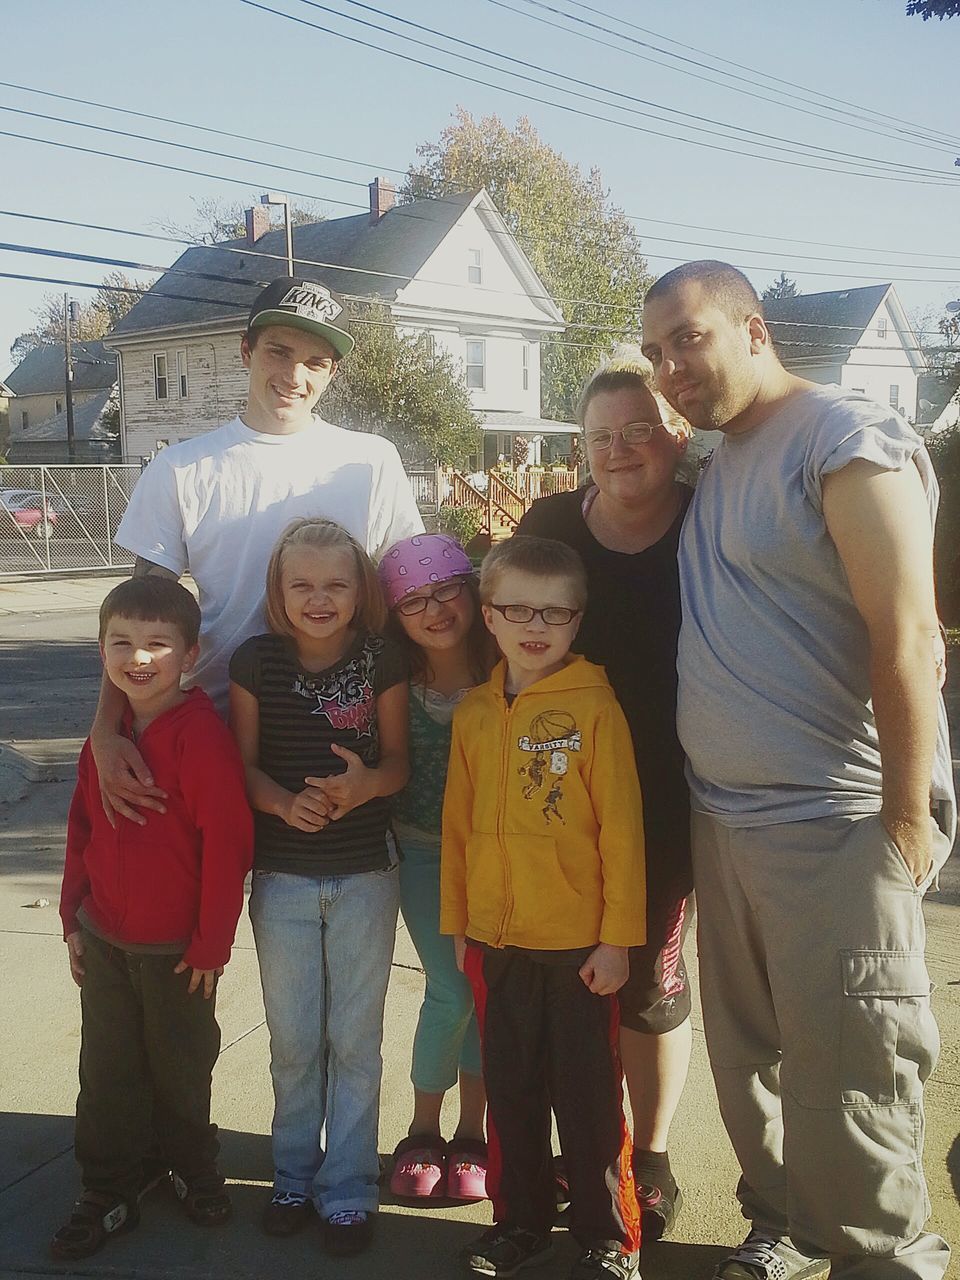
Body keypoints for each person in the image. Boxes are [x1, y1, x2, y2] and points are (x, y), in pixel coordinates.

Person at [640, 260, 956, 1280]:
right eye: (654, 353)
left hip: (837, 819)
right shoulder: (719, 458)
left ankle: (884, 1255)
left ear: (752, 326)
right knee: (754, 1064)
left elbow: (908, 633)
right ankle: (788, 1226)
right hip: (722, 820)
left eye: (687, 338)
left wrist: (906, 820)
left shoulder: (843, 436)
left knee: (855, 1073)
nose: (671, 366)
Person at [95, 275, 423, 821]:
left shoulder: (372, 462)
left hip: (343, 742)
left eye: (316, 362)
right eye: (279, 351)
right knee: (204, 898)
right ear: (246, 351)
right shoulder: (180, 469)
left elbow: (407, 593)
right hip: (214, 734)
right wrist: (106, 732)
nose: (294, 375)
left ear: (332, 373)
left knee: (340, 895)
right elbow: (139, 616)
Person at [517, 352, 694, 1238]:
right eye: (601, 436)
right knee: (567, 979)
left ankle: (651, 1159)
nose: (620, 450)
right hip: (555, 793)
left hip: (668, 794)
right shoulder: (550, 521)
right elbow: (502, 620)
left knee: (648, 986)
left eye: (639, 431)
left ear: (676, 436)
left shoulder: (709, 518)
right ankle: (587, 1147)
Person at [442, 535, 647, 1280]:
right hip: (497, 944)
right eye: (518, 609)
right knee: (514, 1095)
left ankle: (606, 1237)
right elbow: (458, 829)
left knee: (590, 1104)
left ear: (577, 620)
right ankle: (519, 1222)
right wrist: (460, 926)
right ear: (488, 617)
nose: (537, 624)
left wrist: (618, 940)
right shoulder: (472, 713)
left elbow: (623, 832)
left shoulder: (596, 709)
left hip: (580, 952)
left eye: (556, 613)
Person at [54, 577, 253, 1261]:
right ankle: (107, 1185)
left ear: (191, 654)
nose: (138, 658)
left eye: (157, 645)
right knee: (106, 1068)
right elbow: (81, 827)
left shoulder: (199, 737)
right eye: (122, 644)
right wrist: (71, 920)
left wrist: (210, 946)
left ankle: (193, 1167)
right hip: (105, 936)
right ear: (102, 650)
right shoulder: (106, 738)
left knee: (180, 1063)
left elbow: (229, 846)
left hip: (177, 950)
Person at [228, 517, 408, 1257]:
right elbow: (241, 767)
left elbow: (397, 763)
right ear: (278, 591)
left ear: (360, 589)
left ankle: (348, 1189)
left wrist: (364, 787)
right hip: (283, 879)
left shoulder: (383, 659)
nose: (319, 597)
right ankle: (293, 1177)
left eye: (336, 583)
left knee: (354, 1042)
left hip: (366, 873)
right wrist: (278, 802)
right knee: (296, 1040)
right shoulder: (255, 663)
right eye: (301, 584)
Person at [377, 533, 495, 1202]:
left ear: (473, 590)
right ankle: (423, 1131)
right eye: (413, 601)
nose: (436, 609)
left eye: (447, 589)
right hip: (423, 849)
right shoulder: (395, 679)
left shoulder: (507, 665)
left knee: (486, 992)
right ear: (394, 615)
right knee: (452, 988)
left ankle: (473, 1135)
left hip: (502, 856)